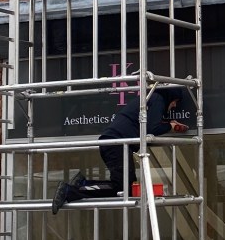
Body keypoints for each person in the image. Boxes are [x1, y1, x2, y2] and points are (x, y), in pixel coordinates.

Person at [52, 86, 189, 214]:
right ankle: (70, 191)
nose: (174, 105)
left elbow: (148, 125)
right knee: (123, 189)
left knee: (125, 187)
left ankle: (83, 184)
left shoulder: (150, 99)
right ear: (170, 97)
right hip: (118, 145)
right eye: (175, 101)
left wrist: (167, 124)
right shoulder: (158, 99)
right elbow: (152, 129)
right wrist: (170, 127)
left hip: (115, 144)